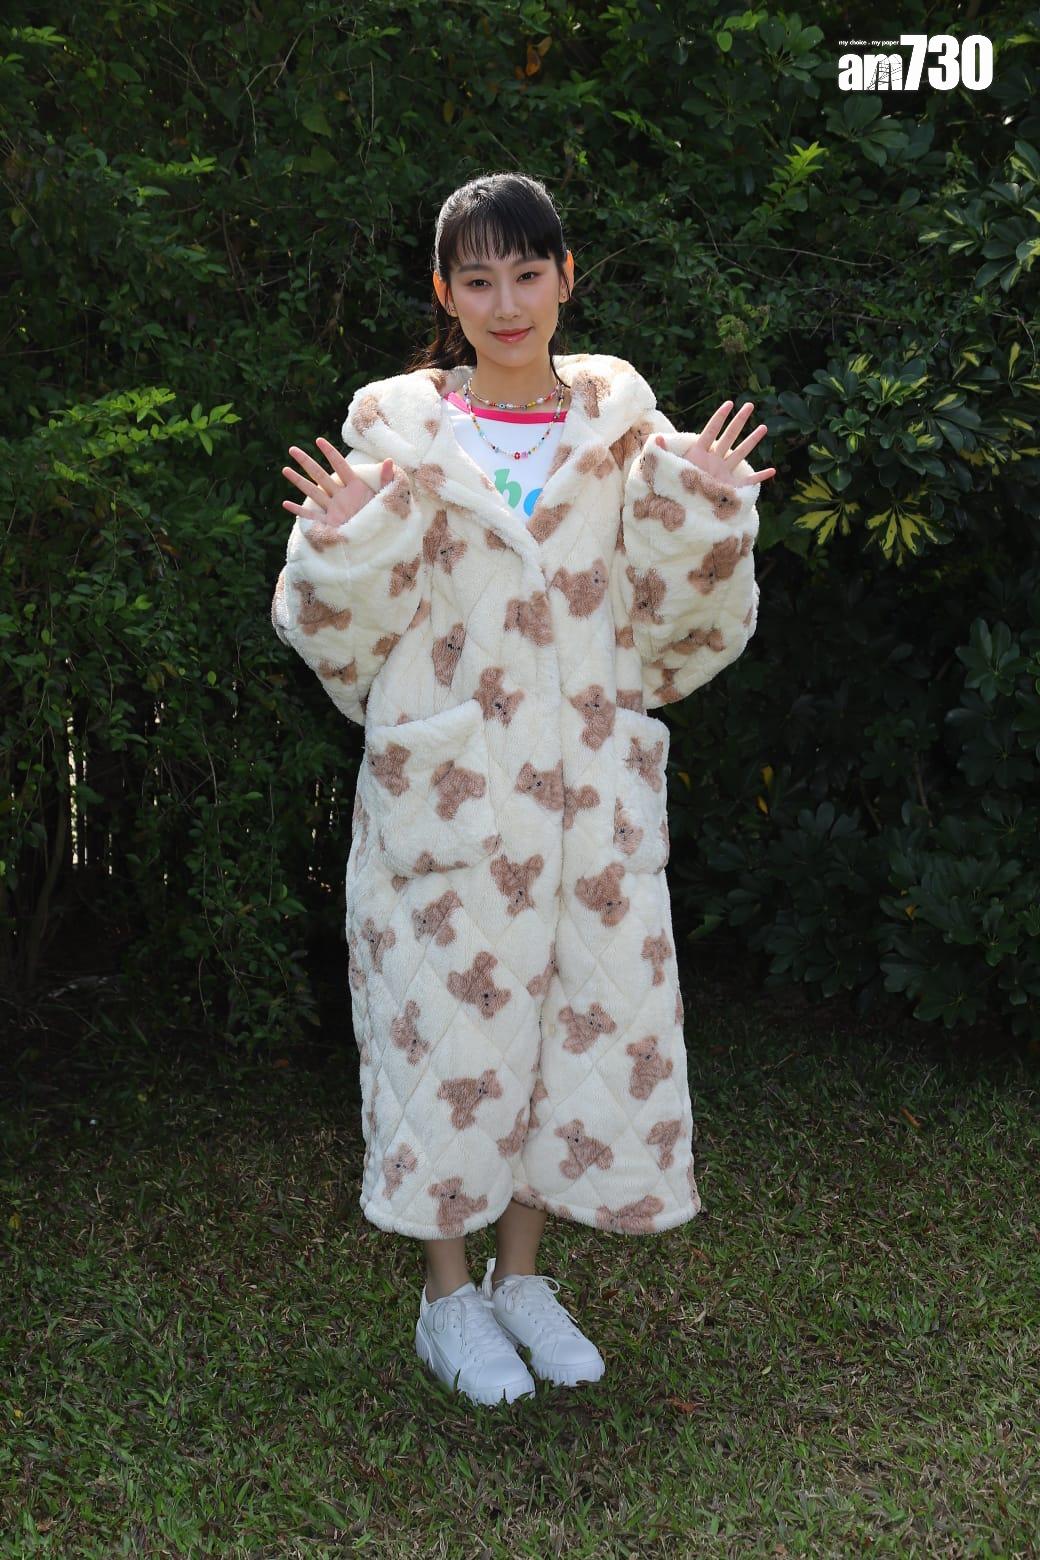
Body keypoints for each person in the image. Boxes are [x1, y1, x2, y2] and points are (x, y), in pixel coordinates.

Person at [272, 171, 776, 1408]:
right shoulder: (400, 443)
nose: (506, 302)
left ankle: (522, 1280)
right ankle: (447, 1297)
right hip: (451, 804)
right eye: (478, 278)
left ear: (566, 278)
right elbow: (339, 640)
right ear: (443, 294)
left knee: (569, 1033)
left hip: (590, 799)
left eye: (527, 273)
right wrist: (341, 540)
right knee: (446, 1040)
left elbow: (677, 632)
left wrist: (708, 513)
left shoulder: (625, 437)